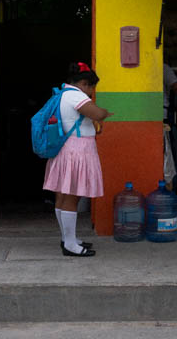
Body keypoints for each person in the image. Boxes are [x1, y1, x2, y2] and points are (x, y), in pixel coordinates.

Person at [43, 62, 112, 257]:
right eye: (91, 87)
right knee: (72, 197)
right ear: (83, 83)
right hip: (77, 152)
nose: (91, 92)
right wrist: (104, 114)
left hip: (66, 150)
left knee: (62, 197)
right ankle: (70, 245)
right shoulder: (75, 95)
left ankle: (67, 239)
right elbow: (97, 113)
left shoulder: (62, 94)